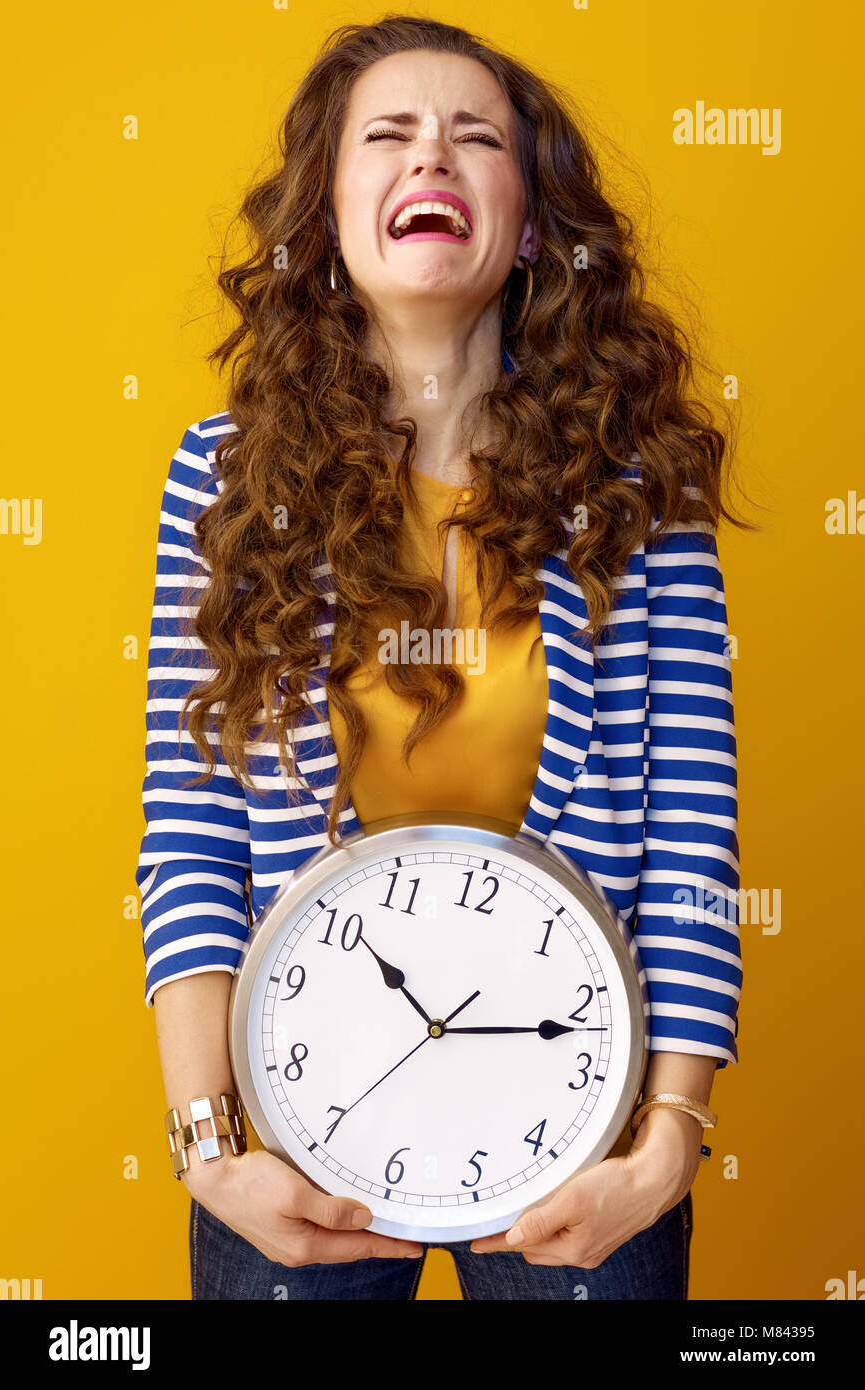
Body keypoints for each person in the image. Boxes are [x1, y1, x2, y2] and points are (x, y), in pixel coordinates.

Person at [135, 15, 746, 1300]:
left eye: (475, 138)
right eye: (388, 136)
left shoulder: (637, 492)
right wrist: (207, 1147)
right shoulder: (226, 476)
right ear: (329, 213)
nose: (432, 157)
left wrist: (665, 1142)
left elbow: (693, 831)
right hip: (307, 1115)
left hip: (579, 1120)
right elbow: (187, 827)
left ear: (525, 225)